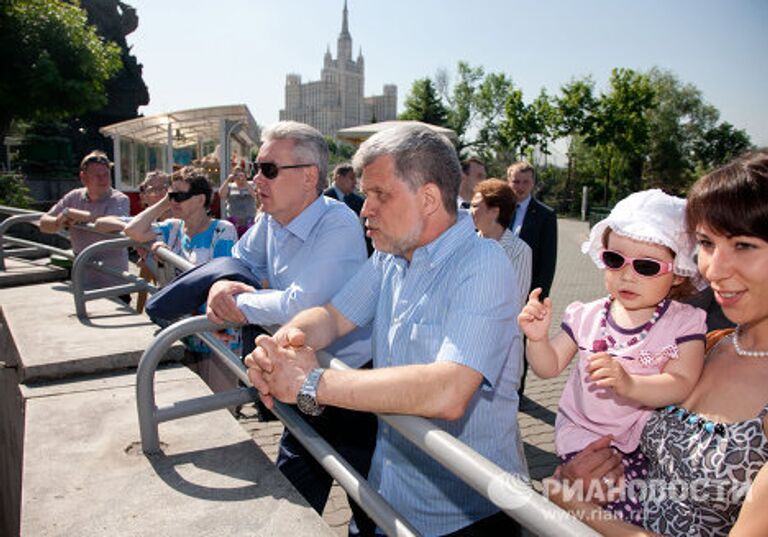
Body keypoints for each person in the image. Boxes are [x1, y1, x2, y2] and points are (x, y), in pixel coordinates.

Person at [246, 124, 528, 537]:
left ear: (428, 199)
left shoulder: (483, 265)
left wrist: (311, 383)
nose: (364, 208)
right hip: (388, 497)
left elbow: (448, 391)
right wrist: (281, 346)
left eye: (380, 194)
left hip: (468, 517)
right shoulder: (391, 257)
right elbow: (331, 317)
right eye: (366, 193)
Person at [548, 150, 768, 536]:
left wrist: (572, 503)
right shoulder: (711, 343)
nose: (713, 270)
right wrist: (581, 470)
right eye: (706, 243)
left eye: (744, 245)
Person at [200, 121, 376, 535]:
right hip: (303, 381)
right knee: (292, 489)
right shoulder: (271, 219)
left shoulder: (338, 222)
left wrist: (237, 303)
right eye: (256, 167)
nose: (255, 178)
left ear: (309, 176)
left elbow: (301, 304)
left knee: (370, 504)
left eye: (268, 169)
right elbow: (240, 264)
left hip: (351, 389)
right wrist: (223, 283)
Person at [519, 188, 707, 524]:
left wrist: (629, 382)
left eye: (646, 266)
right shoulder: (587, 315)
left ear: (678, 272)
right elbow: (548, 367)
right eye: (615, 259)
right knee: (594, 513)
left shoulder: (684, 322)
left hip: (642, 446)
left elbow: (682, 382)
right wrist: (537, 340)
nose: (627, 274)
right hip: (582, 438)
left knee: (632, 517)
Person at [39, 150, 130, 293]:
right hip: (82, 282)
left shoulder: (120, 199)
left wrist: (77, 215)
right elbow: (44, 224)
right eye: (97, 176)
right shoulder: (74, 197)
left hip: (113, 284)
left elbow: (109, 223)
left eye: (106, 174)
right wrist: (60, 221)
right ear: (84, 178)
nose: (103, 179)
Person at [507, 161, 558, 397]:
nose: (520, 186)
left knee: (523, 340)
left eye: (525, 182)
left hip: (528, 290)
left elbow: (548, 260)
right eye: (516, 181)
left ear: (533, 184)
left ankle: (519, 390)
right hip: (502, 287)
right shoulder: (500, 210)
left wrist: (538, 295)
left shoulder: (546, 215)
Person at [469, 178, 531, 308]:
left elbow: (515, 303)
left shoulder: (519, 250)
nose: (470, 211)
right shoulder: (466, 245)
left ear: (494, 212)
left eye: (475, 206)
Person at [217, 165, 258, 237]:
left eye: (241, 174)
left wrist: (245, 183)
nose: (239, 177)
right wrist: (227, 180)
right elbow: (221, 195)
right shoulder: (230, 186)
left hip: (249, 219)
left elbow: (255, 196)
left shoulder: (251, 184)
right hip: (234, 220)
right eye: (236, 175)